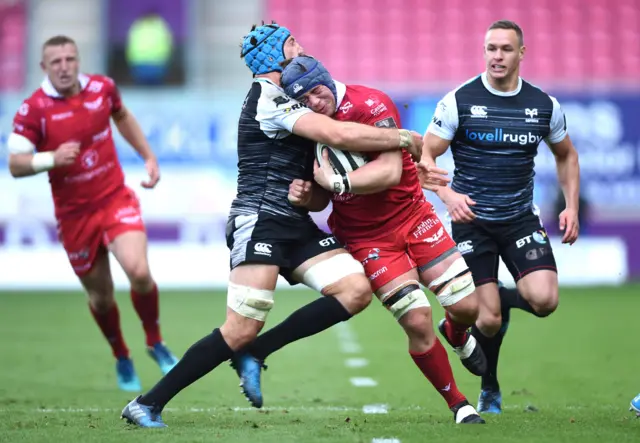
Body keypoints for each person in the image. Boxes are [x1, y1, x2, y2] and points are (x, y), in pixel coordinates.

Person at [120, 22, 424, 428]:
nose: (300, 47)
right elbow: (336, 133)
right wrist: (404, 138)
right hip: (259, 220)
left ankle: (257, 352)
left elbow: (320, 179)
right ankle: (148, 403)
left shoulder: (298, 94)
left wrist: (312, 194)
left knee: (354, 290)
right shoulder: (269, 98)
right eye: (292, 43)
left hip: (294, 222)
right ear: (272, 56)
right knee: (240, 327)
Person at [274, 55, 486, 424]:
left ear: (327, 80)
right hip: (366, 238)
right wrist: (305, 196)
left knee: (468, 307)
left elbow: (389, 172)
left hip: (413, 217)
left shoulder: (371, 103)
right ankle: (459, 404)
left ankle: (455, 330)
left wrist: (336, 182)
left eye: (317, 93)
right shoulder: (307, 129)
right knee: (416, 320)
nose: (314, 103)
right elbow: (322, 198)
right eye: (304, 100)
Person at [419, 20, 580, 414]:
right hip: (470, 219)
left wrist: (571, 205)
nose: (496, 56)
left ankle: (499, 299)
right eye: (491, 48)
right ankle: (489, 386)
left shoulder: (544, 105)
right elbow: (424, 157)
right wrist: (447, 194)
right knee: (487, 321)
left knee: (544, 301)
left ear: (521, 54)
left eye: (506, 49)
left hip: (520, 217)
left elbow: (567, 155)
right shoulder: (459, 101)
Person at [7, 35, 179, 392]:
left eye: (70, 58)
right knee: (101, 297)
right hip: (74, 216)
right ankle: (121, 355)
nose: (65, 66)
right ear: (44, 67)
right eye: (56, 62)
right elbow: (15, 164)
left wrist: (147, 156)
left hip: (114, 198)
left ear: (78, 59)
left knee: (140, 272)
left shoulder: (102, 88)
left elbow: (122, 115)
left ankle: (155, 342)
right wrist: (51, 159)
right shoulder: (33, 110)